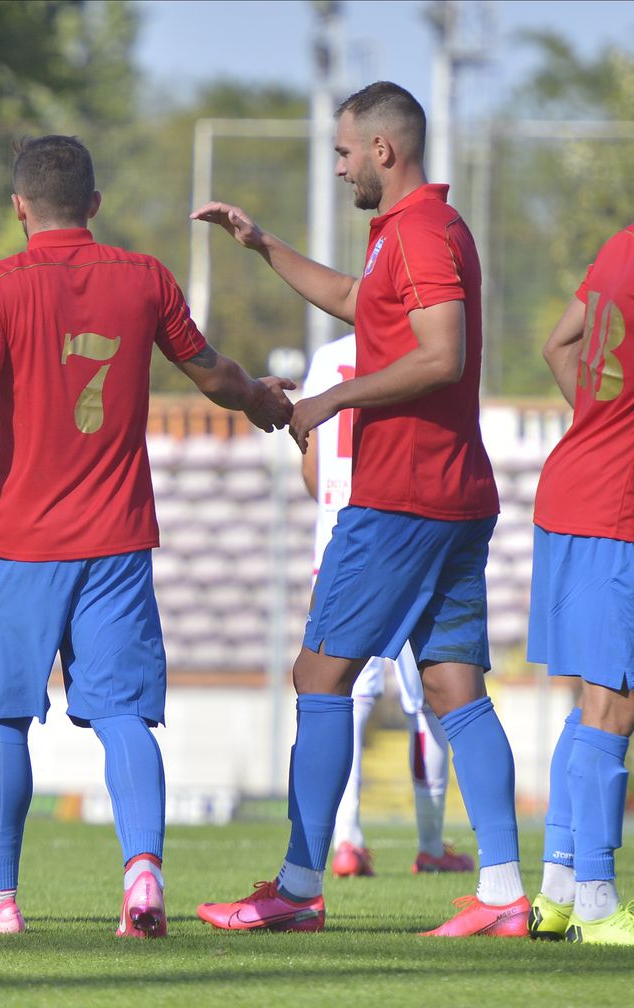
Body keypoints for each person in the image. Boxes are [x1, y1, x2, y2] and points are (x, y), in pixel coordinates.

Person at [0, 134, 295, 936]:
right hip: (118, 541)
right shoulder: (145, 278)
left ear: (19, 208)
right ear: (93, 204)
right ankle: (143, 875)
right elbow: (213, 373)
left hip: (22, 542)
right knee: (124, 714)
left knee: (5, 716)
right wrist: (261, 401)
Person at [191, 81, 527, 937]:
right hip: (453, 494)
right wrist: (264, 245)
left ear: (383, 148)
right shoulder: (417, 230)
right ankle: (503, 894)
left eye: (344, 153)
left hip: (402, 497)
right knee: (453, 687)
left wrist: (333, 398)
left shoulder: (418, 231)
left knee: (319, 677)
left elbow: (442, 355)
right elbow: (356, 302)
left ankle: (298, 888)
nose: (340, 168)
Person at [302, 334, 473, 879]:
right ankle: (431, 843)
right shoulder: (422, 346)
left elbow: (312, 465)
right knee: (430, 698)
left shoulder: (328, 357)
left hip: (340, 541)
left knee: (341, 694)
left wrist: (335, 506)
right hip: (409, 531)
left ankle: (345, 841)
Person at [526, 224, 634, 945]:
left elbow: (558, 345)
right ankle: (598, 904)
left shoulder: (620, 246)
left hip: (572, 490)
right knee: (613, 704)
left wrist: (600, 424)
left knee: (593, 701)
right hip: (614, 510)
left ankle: (561, 891)